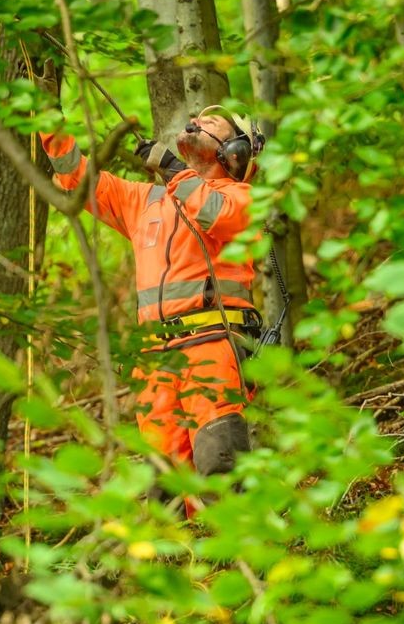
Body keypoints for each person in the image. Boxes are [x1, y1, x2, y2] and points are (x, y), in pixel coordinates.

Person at [39, 105, 265, 480]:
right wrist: (48, 122)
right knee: (166, 487)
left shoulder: (242, 197)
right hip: (156, 362)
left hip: (212, 347)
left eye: (211, 124)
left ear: (234, 152)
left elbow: (216, 215)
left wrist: (174, 170)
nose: (196, 122)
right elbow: (77, 177)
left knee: (219, 467)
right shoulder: (145, 201)